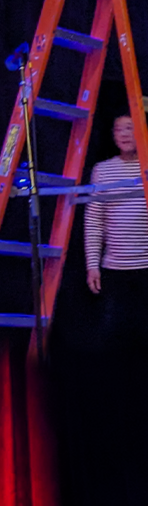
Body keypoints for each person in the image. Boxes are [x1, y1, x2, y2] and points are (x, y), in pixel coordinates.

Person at [84, 114, 148, 346]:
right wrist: (92, 265)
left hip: (146, 266)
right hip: (115, 270)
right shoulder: (103, 170)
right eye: (118, 130)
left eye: (129, 128)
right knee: (115, 339)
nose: (123, 134)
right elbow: (94, 221)